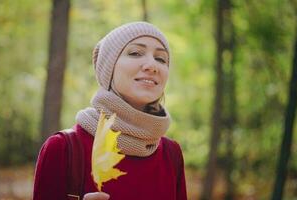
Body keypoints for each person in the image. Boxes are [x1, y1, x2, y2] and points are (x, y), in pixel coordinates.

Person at [33, 21, 187, 200]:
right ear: (109, 68)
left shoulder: (171, 154)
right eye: (136, 53)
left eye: (161, 59)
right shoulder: (62, 149)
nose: (152, 65)